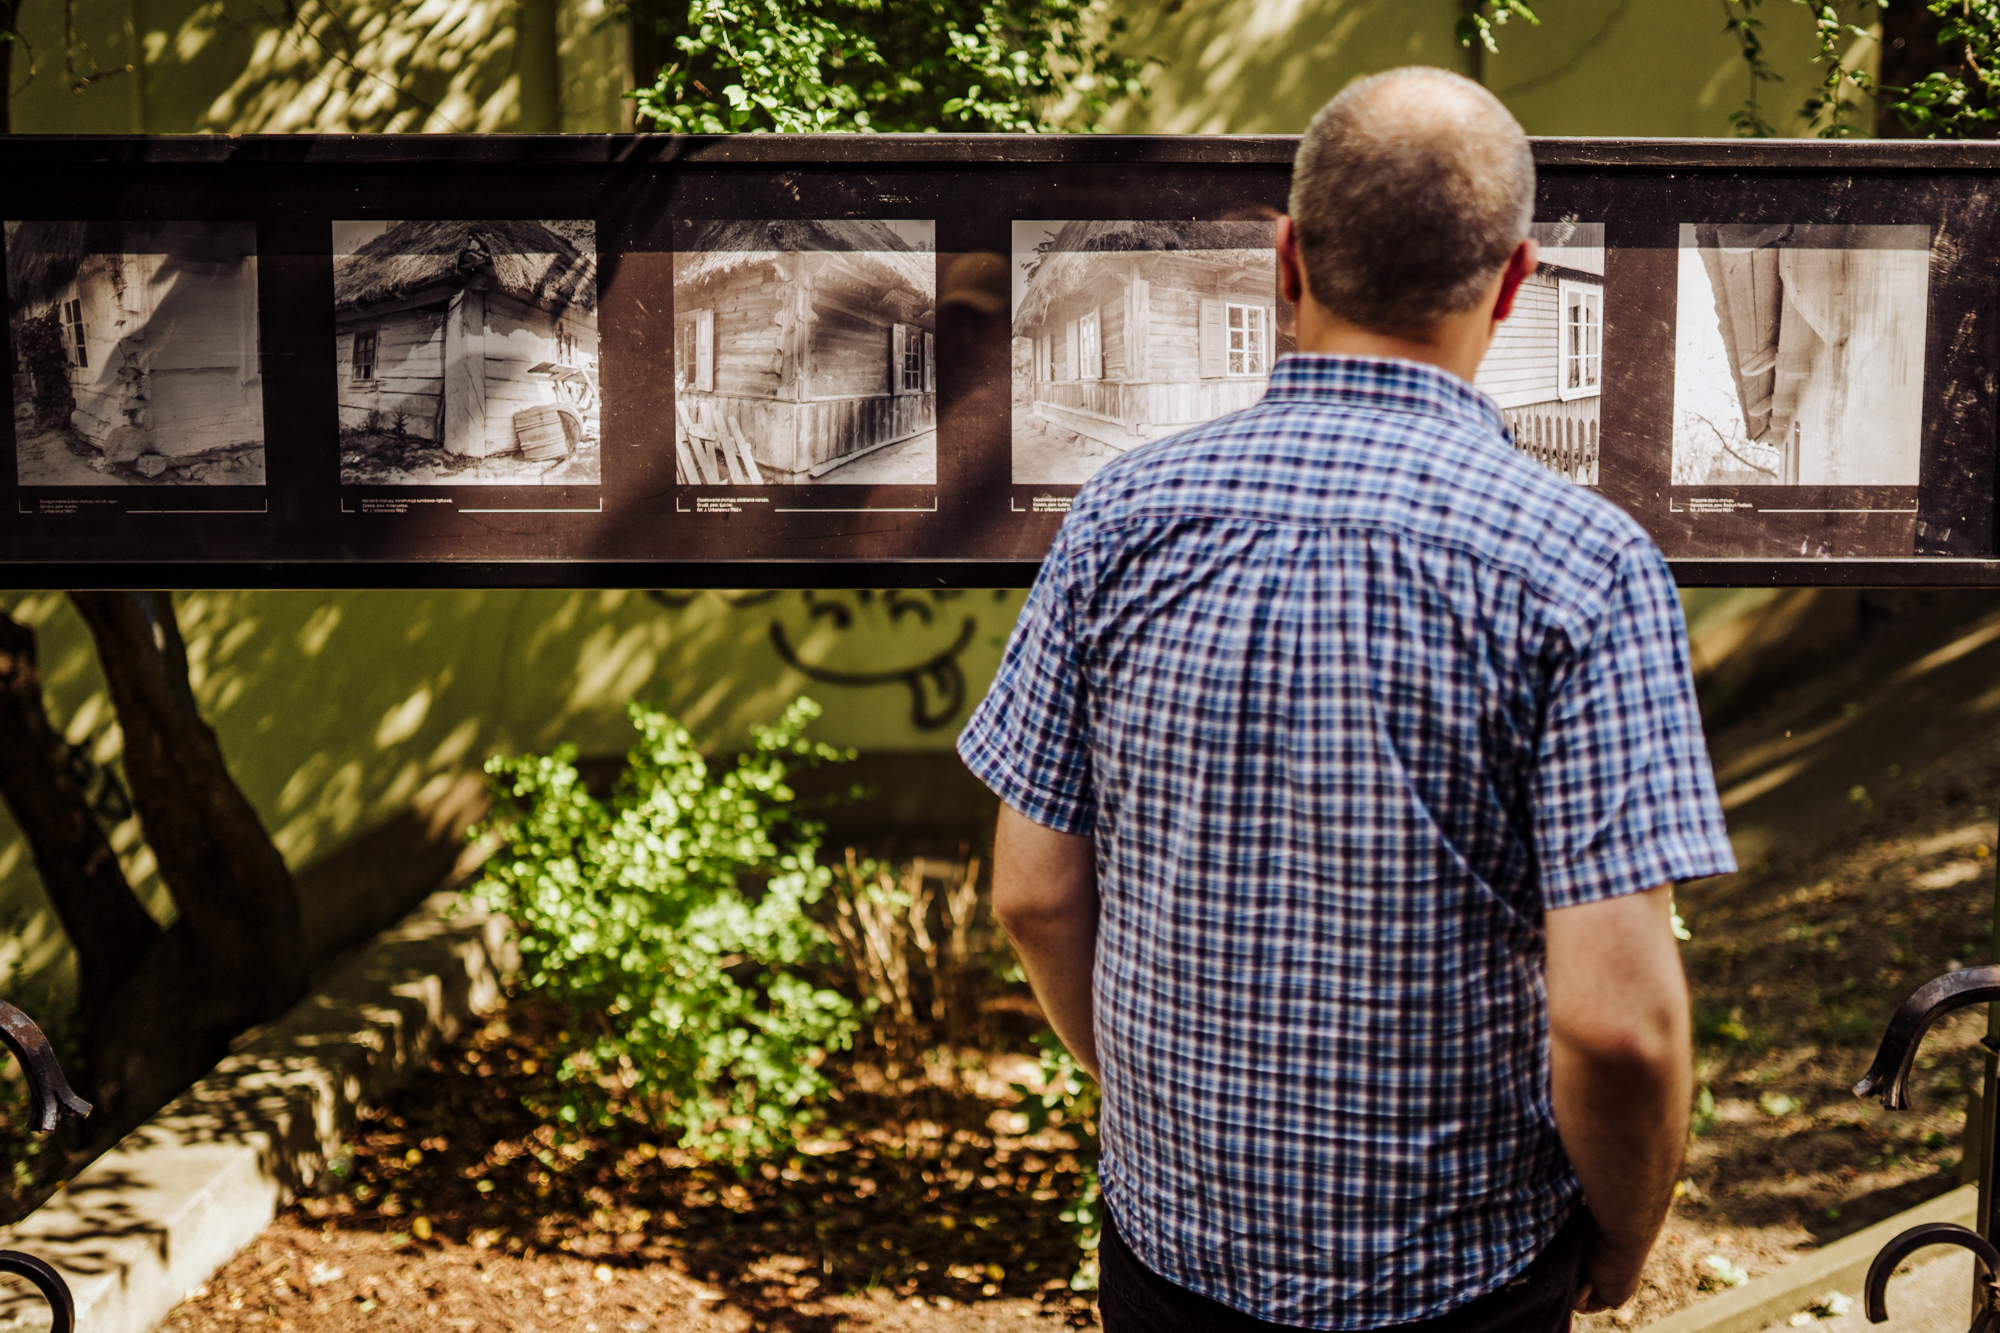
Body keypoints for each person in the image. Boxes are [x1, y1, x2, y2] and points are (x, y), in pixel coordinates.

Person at [956, 66, 1735, 1333]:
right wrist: (1621, 1235)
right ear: (1513, 282)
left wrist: (1157, 1103)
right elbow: (1616, 1030)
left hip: (1171, 1264)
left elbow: (1031, 893)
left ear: (1286, 258)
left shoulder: (1120, 518)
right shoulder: (1581, 568)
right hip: (1457, 1284)